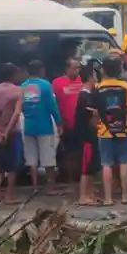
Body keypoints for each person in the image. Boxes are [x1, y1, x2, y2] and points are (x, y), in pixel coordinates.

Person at [93, 54, 127, 206]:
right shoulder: (125, 86)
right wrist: (126, 124)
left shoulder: (98, 87)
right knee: (124, 162)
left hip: (105, 131)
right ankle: (124, 196)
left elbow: (96, 112)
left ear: (103, 70)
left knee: (106, 164)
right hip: (123, 129)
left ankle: (108, 198)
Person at [20, 59, 62, 195]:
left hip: (28, 126)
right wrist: (59, 122)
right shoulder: (45, 85)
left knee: (31, 158)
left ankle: (35, 186)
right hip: (44, 126)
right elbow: (52, 106)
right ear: (41, 70)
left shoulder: (23, 86)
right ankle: (51, 187)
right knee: (48, 157)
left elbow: (20, 107)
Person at [0, 63, 25, 204]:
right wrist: (7, 131)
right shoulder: (18, 90)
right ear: (13, 75)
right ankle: (9, 196)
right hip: (12, 132)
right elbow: (16, 113)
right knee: (12, 167)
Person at [51, 57, 84, 186]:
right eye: (74, 68)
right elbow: (54, 104)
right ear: (67, 69)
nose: (77, 71)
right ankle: (68, 177)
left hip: (81, 124)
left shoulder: (83, 81)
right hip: (66, 124)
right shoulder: (57, 83)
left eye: (78, 68)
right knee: (67, 152)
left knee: (80, 151)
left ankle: (80, 175)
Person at [74, 70, 102, 205]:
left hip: (91, 136)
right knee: (86, 167)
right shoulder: (84, 97)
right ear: (90, 78)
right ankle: (83, 195)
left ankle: (90, 193)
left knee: (91, 167)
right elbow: (88, 116)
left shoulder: (89, 95)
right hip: (86, 137)